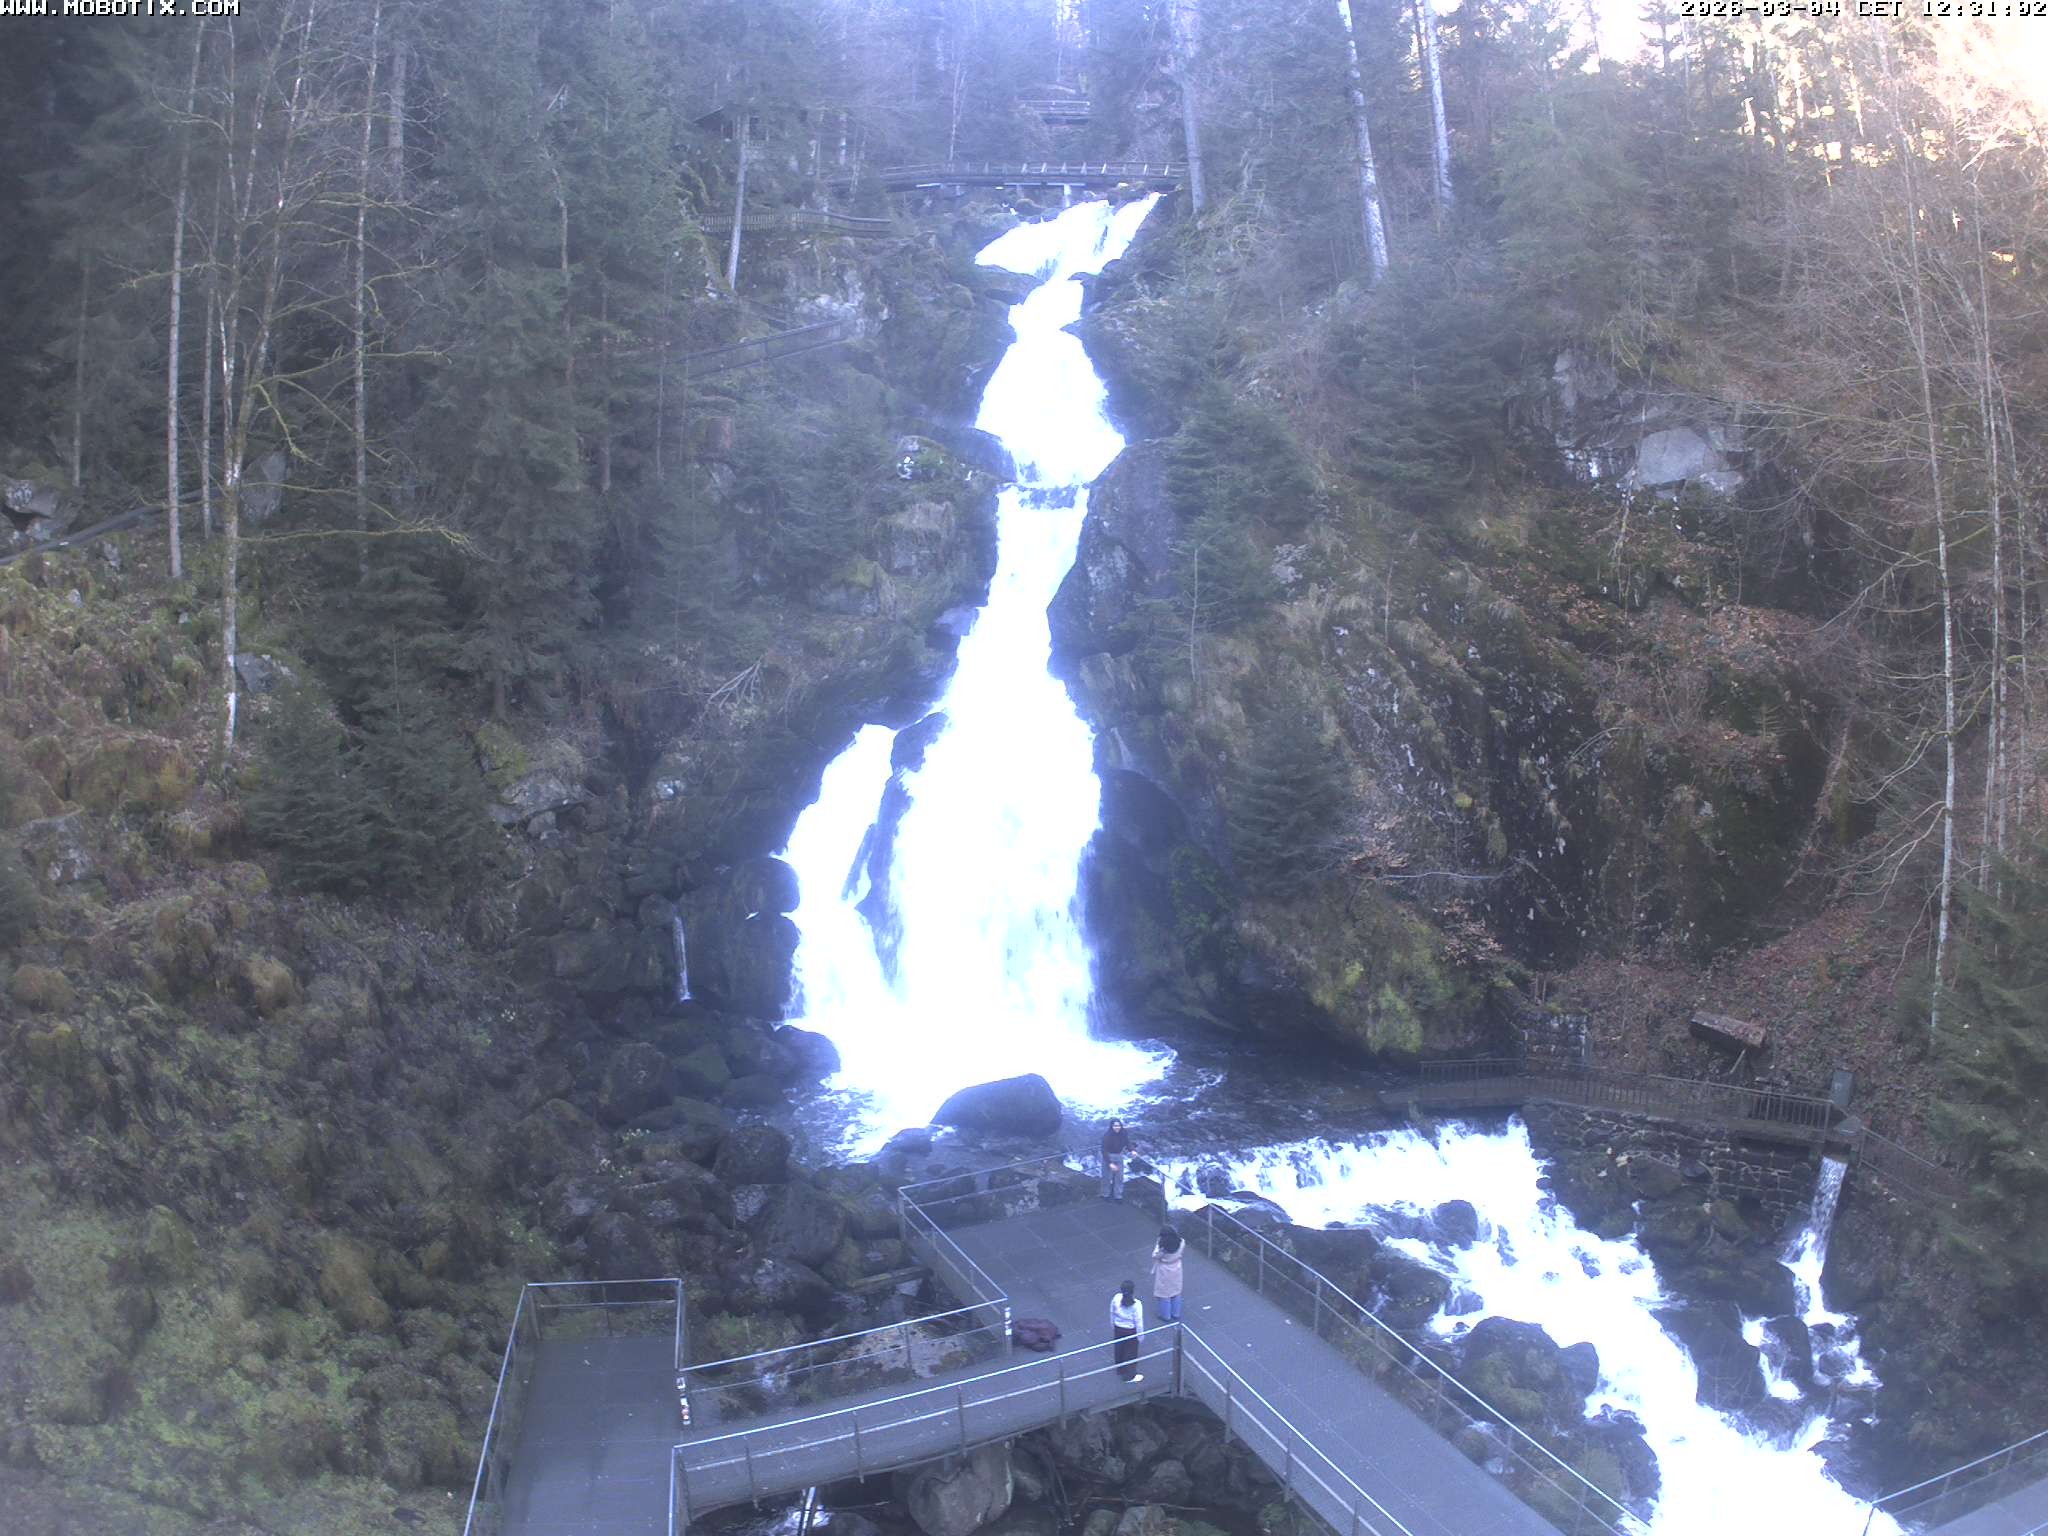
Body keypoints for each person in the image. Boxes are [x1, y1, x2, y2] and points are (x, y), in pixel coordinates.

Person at [1110, 1279, 1144, 1382]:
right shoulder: (1137, 1304)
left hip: (1118, 1328)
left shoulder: (1116, 1298)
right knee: (1131, 1352)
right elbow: (1138, 1321)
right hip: (1131, 1330)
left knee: (1119, 1348)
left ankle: (1120, 1369)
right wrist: (1140, 1336)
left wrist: (1113, 1325)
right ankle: (1129, 1375)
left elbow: (1112, 1313)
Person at [1151, 1225, 1184, 1323]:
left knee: (1164, 1294)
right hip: (1177, 1267)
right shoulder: (1181, 1242)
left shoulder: (1163, 1250)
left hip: (1165, 1270)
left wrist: (1157, 1245)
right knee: (1176, 1291)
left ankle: (1166, 1316)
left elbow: (1155, 1256)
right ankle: (1176, 1313)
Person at [1101, 1118, 1132, 1201]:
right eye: (1115, 1126)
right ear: (1111, 1126)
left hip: (1119, 1156)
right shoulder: (1107, 1136)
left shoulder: (1123, 1133)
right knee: (1107, 1177)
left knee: (1119, 1177)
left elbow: (1127, 1142)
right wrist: (1110, 1163)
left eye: (1118, 1125)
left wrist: (1132, 1150)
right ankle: (1105, 1195)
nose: (1117, 1127)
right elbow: (1103, 1150)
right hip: (1108, 1156)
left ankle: (1118, 1196)